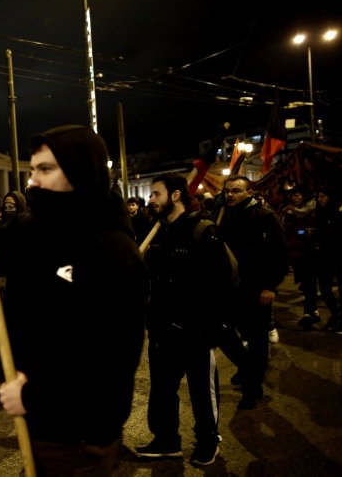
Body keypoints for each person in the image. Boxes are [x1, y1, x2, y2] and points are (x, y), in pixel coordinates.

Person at [0, 124, 149, 476]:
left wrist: (35, 394)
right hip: (38, 422)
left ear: (79, 171)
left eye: (45, 169)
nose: (33, 181)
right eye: (32, 170)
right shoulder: (33, 229)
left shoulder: (114, 250)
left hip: (79, 437)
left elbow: (111, 360)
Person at [137, 172, 233, 466]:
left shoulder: (203, 230)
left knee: (202, 392)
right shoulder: (158, 231)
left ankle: (207, 441)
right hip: (162, 329)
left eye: (155, 194)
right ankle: (167, 440)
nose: (150, 199)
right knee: (162, 390)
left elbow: (222, 283)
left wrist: (211, 326)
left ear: (175, 195)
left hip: (196, 330)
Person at [217, 175, 289, 410]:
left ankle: (252, 388)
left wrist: (270, 286)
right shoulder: (223, 215)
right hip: (230, 288)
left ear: (249, 192)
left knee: (257, 338)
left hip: (256, 288)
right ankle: (247, 367)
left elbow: (280, 254)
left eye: (236, 191)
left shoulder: (265, 216)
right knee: (224, 333)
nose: (230, 195)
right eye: (227, 191)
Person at [279, 186, 320, 329]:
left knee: (309, 283)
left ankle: (309, 312)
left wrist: (308, 233)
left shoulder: (313, 209)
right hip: (295, 252)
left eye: (297, 195)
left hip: (310, 252)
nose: (294, 198)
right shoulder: (289, 211)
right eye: (293, 195)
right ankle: (313, 310)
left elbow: (316, 228)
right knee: (305, 284)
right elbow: (284, 230)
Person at [313, 187, 342, 332]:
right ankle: (335, 314)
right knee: (324, 286)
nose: (320, 199)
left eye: (323, 196)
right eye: (318, 196)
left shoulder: (338, 213)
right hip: (325, 256)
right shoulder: (320, 212)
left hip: (339, 255)